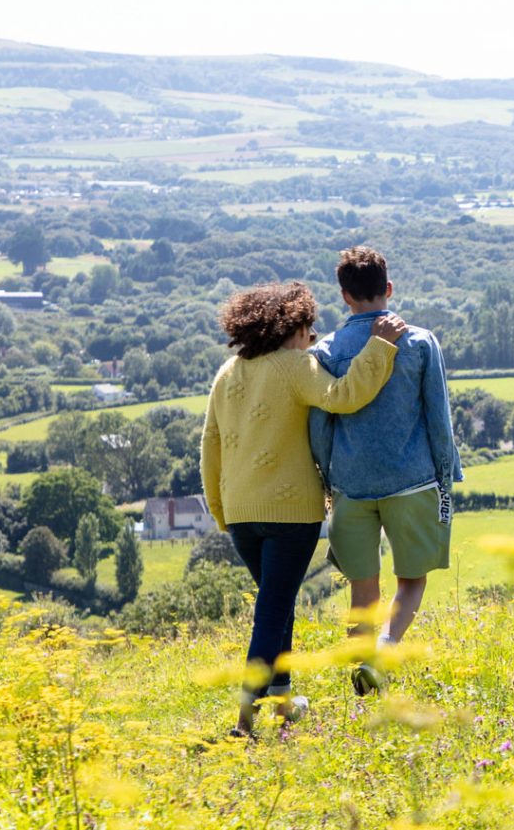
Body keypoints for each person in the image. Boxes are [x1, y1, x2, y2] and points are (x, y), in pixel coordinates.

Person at [200, 280, 406, 736]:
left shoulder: (227, 373)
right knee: (273, 611)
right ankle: (244, 721)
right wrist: (380, 348)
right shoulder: (295, 366)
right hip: (291, 513)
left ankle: (283, 704)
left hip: (240, 515)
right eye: (309, 330)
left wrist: (221, 513)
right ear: (292, 327)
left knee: (279, 604)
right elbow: (346, 395)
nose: (313, 339)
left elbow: (209, 450)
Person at [309, 247, 462, 696]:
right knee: (411, 579)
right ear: (388, 288)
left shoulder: (326, 350)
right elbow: (439, 416)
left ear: (344, 296)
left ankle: (359, 683)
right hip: (412, 481)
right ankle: (387, 645)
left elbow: (320, 423)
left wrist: (327, 480)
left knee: (362, 590)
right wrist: (445, 475)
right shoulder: (420, 341)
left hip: (351, 485)